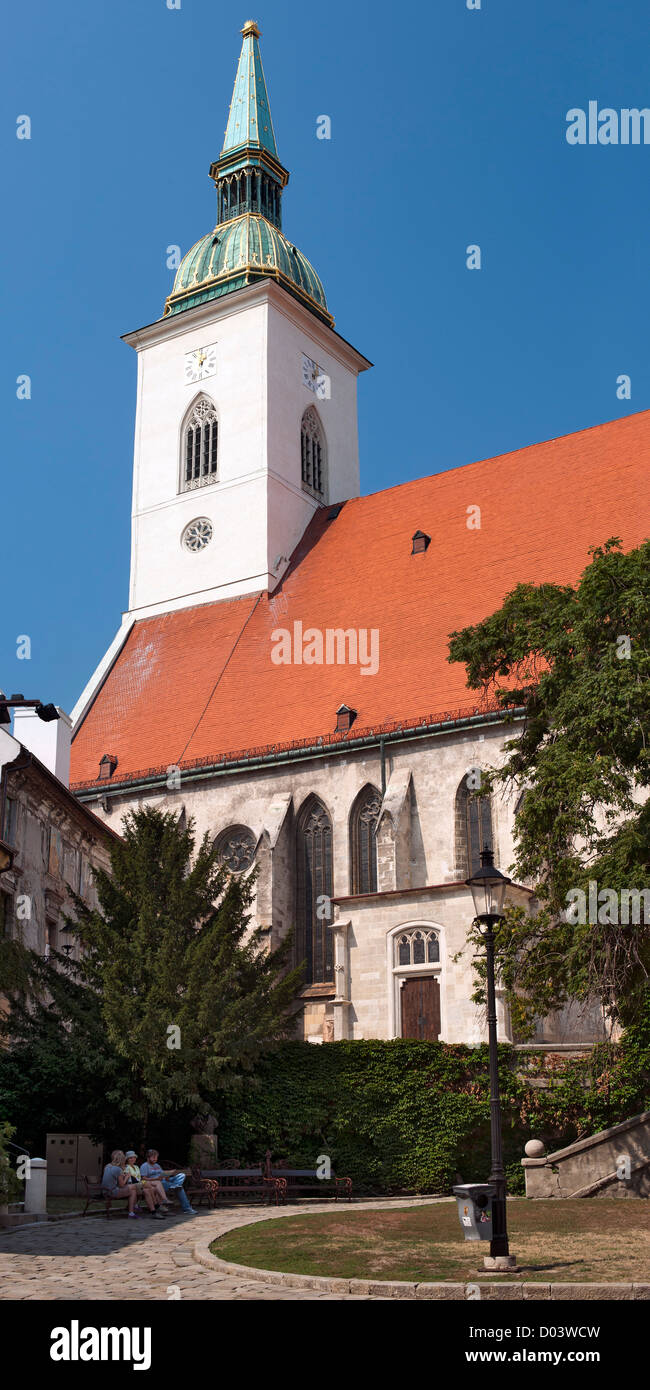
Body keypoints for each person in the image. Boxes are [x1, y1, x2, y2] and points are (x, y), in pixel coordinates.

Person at [102, 1150, 164, 1219]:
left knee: (144, 1189)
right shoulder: (119, 1169)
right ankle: (155, 1208)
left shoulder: (108, 1166)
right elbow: (121, 1185)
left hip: (106, 1190)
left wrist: (125, 1176)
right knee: (145, 1187)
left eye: (134, 1157)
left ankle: (133, 1212)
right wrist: (127, 1177)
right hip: (112, 1191)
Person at [140, 1149, 196, 1215]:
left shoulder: (157, 1165)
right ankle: (187, 1208)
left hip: (164, 1180)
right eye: (153, 1157)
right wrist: (156, 1178)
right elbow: (143, 1179)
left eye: (156, 1157)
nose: (155, 1159)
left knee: (181, 1175)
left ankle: (175, 1186)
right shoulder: (144, 1166)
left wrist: (167, 1175)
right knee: (180, 1188)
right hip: (157, 1183)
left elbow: (162, 1174)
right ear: (148, 1157)